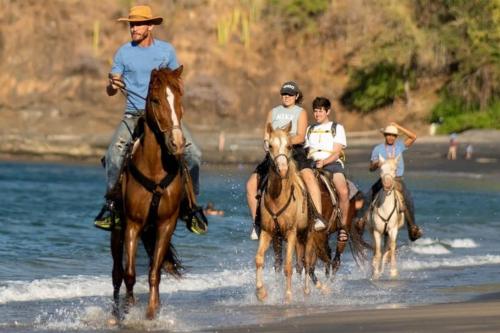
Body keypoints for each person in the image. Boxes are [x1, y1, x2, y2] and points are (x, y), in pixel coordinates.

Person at [93, 5, 207, 234]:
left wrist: (173, 106)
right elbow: (111, 89)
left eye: (138, 24)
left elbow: (176, 81)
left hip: (163, 116)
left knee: (194, 154)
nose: (133, 28)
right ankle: (111, 205)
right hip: (134, 114)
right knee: (114, 154)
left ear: (150, 26)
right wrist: (112, 84)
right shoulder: (124, 52)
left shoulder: (166, 51)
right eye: (131, 24)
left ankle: (191, 205)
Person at [246, 81, 326, 240]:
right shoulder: (273, 112)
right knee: (251, 184)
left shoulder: (300, 112)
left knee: (309, 177)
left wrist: (284, 140)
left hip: (293, 151)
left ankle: (317, 216)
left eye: (290, 94)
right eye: (284, 94)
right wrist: (267, 143)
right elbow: (267, 134)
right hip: (275, 153)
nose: (287, 97)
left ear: (296, 96)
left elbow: (301, 136)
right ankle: (257, 222)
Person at [364, 123, 423, 241]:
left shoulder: (400, 146)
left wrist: (398, 126)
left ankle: (412, 227)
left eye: (393, 135)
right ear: (384, 135)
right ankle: (361, 223)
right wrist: (376, 164)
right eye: (388, 135)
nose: (390, 137)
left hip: (397, 180)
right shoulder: (378, 149)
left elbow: (413, 137)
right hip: (383, 179)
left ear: (396, 137)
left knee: (408, 198)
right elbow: (371, 168)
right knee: (368, 196)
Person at [304, 97, 349, 241]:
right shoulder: (309, 129)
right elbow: (305, 151)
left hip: (332, 164)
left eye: (320, 111)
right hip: (311, 164)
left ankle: (343, 226)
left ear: (327, 111)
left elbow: (336, 153)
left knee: (343, 191)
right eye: (315, 111)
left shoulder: (337, 128)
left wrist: (323, 162)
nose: (317, 114)